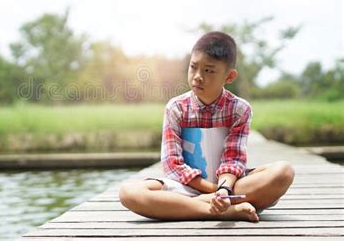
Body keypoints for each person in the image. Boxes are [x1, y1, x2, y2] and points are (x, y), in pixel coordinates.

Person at [119, 31, 295, 222]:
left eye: (208, 70)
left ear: (230, 76)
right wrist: (216, 193)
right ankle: (221, 209)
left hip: (231, 184)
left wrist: (224, 188)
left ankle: (193, 207)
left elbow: (233, 159)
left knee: (283, 172)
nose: (197, 76)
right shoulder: (176, 108)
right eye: (193, 67)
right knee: (129, 192)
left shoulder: (239, 109)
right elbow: (173, 164)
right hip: (186, 187)